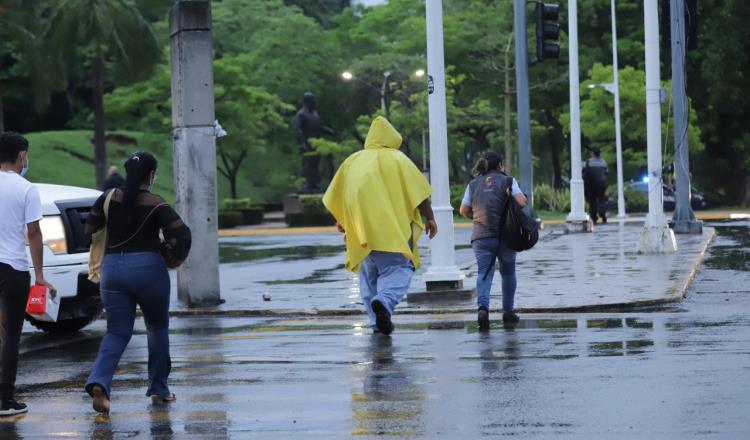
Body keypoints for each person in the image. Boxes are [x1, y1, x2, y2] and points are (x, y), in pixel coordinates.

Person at [84, 151, 191, 414]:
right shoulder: (156, 204)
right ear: (151, 175)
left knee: (117, 332)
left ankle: (100, 382)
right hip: (148, 268)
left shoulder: (108, 197)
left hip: (112, 270)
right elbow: (182, 234)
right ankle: (159, 388)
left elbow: (90, 229)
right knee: (157, 327)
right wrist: (173, 256)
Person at [323, 117, 437, 336]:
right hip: (390, 230)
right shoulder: (398, 159)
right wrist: (430, 218)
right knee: (398, 269)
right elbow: (419, 194)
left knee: (369, 277)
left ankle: (376, 323)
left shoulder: (353, 160)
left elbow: (337, 195)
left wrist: (342, 220)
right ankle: (384, 301)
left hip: (360, 231)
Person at [0, 132, 57, 416]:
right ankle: (5, 400)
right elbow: (33, 232)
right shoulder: (25, 188)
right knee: (10, 335)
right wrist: (40, 275)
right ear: (22, 155)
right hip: (13, 269)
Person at [459, 151, 527, 331]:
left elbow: (463, 210)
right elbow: (521, 202)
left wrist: (477, 218)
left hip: (481, 236)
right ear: (500, 165)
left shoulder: (473, 184)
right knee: (508, 273)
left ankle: (482, 309)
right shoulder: (508, 181)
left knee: (484, 273)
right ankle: (508, 312)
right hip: (506, 235)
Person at [293, 92, 335, 193]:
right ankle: (307, 184)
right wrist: (302, 143)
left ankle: (314, 184)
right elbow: (297, 130)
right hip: (307, 144)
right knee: (308, 164)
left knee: (315, 164)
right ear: (307, 101)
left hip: (317, 143)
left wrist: (331, 131)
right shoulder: (301, 114)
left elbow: (320, 126)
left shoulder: (315, 114)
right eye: (312, 100)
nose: (314, 102)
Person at [582, 147, 609, 224]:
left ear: (592, 153)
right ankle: (602, 214)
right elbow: (606, 173)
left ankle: (594, 217)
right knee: (601, 199)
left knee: (592, 201)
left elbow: (585, 173)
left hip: (591, 184)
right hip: (602, 184)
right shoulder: (604, 162)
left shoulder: (588, 162)